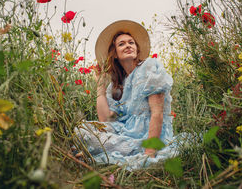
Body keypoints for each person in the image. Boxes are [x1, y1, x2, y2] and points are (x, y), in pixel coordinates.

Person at [75, 20, 190, 170]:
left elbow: (157, 113)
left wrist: (150, 152)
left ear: (137, 48)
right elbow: (105, 120)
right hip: (126, 134)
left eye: (131, 42)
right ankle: (113, 150)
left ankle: (136, 151)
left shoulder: (149, 67)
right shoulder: (117, 84)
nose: (128, 45)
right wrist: (100, 88)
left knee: (89, 140)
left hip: (149, 136)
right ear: (115, 54)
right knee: (82, 131)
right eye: (121, 44)